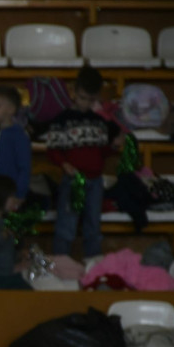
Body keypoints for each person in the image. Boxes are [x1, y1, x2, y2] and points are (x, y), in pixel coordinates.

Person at [47, 65, 121, 260]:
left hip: (95, 181)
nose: (85, 103)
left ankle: (93, 268)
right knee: (66, 226)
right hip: (74, 180)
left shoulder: (99, 121)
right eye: (82, 98)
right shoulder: (62, 120)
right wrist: (64, 164)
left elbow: (102, 151)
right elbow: (53, 149)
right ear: (73, 92)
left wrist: (113, 146)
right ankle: (60, 265)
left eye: (91, 99)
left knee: (93, 227)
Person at [0, 86, 31, 207]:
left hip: (9, 196)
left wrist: (19, 194)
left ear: (11, 109)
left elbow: (24, 168)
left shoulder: (19, 136)